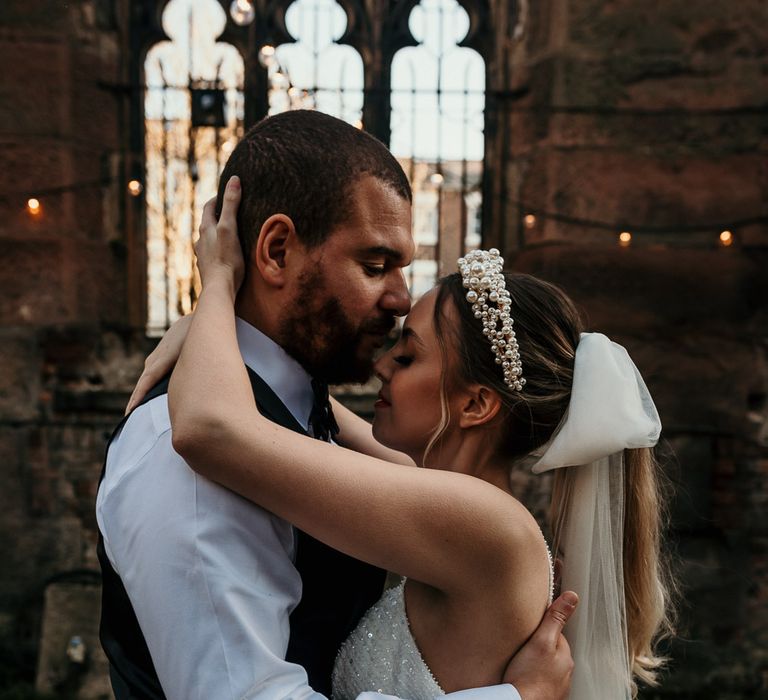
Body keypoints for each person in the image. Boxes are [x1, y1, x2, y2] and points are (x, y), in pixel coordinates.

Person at [96, 109, 577, 700]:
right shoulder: (188, 469)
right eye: (376, 266)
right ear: (275, 251)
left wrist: (210, 308)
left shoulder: (284, 423)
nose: (400, 299)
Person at [152, 175, 675, 698]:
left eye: (407, 357)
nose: (382, 365)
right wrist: (220, 336)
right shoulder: (444, 498)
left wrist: (219, 280)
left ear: (474, 405)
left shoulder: (486, 525)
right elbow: (316, 408)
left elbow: (208, 429)